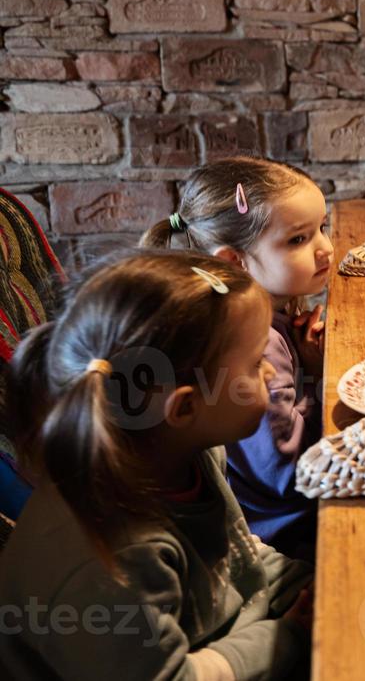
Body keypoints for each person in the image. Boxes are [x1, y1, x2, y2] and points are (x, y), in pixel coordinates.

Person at [0, 251, 313, 678]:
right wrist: (291, 634)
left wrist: (317, 585)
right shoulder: (111, 562)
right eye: (257, 363)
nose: (271, 376)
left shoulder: (191, 453)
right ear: (184, 407)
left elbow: (239, 557)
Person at [142, 157, 334, 560]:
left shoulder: (270, 318)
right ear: (234, 261)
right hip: (291, 532)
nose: (326, 248)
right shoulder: (253, 344)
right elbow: (289, 472)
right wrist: (320, 378)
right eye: (298, 239)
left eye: (323, 228)